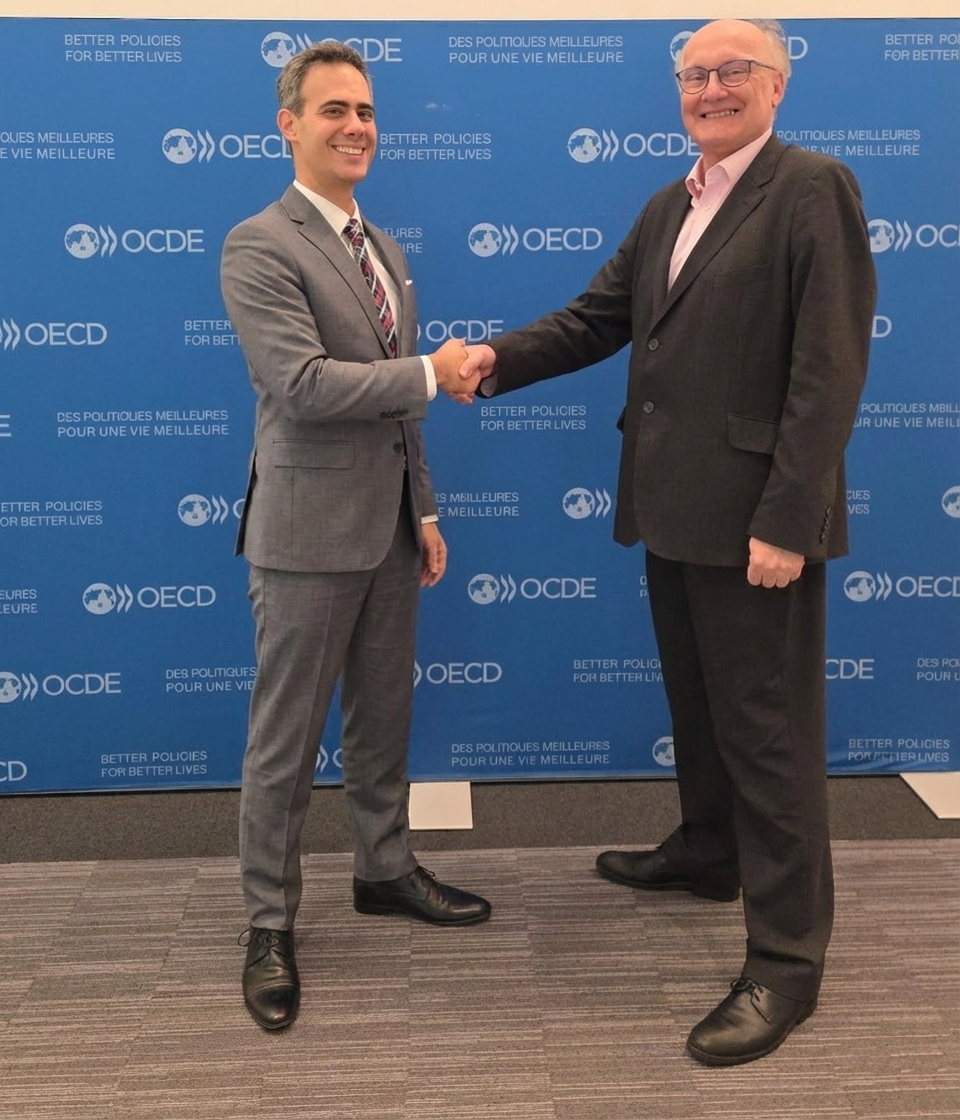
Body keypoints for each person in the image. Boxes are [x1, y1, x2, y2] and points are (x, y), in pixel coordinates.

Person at [460, 18, 875, 1065]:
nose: (710, 88)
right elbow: (597, 318)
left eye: (734, 71)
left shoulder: (811, 187)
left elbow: (827, 371)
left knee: (768, 738)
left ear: (777, 85)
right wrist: (494, 361)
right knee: (701, 707)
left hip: (756, 526)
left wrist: (789, 516)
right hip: (672, 508)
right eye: (694, 75)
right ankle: (706, 850)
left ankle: (786, 961)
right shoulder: (671, 204)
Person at [221, 41, 490, 1033]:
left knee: (383, 718)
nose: (355, 126)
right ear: (288, 125)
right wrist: (431, 371)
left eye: (366, 110)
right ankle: (267, 922)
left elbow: (394, 414)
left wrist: (422, 508)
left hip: (384, 529)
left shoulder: (385, 250)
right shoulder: (260, 243)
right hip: (302, 535)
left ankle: (383, 869)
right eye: (333, 109)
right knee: (285, 742)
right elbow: (303, 387)